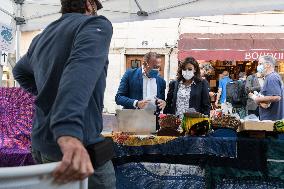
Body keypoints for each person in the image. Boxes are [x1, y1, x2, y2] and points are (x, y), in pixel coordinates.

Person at [13, 0, 115, 188]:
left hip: (42, 143)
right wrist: (67, 130)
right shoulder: (94, 24)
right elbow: (80, 69)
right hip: (74, 145)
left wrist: (47, 94)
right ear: (89, 4)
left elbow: (19, 72)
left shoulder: (42, 37)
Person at [249, 55, 284, 121]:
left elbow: (277, 97)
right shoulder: (270, 77)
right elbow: (269, 100)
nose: (258, 66)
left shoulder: (272, 78)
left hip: (271, 122)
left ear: (268, 65)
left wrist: (257, 99)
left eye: (260, 64)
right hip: (270, 120)